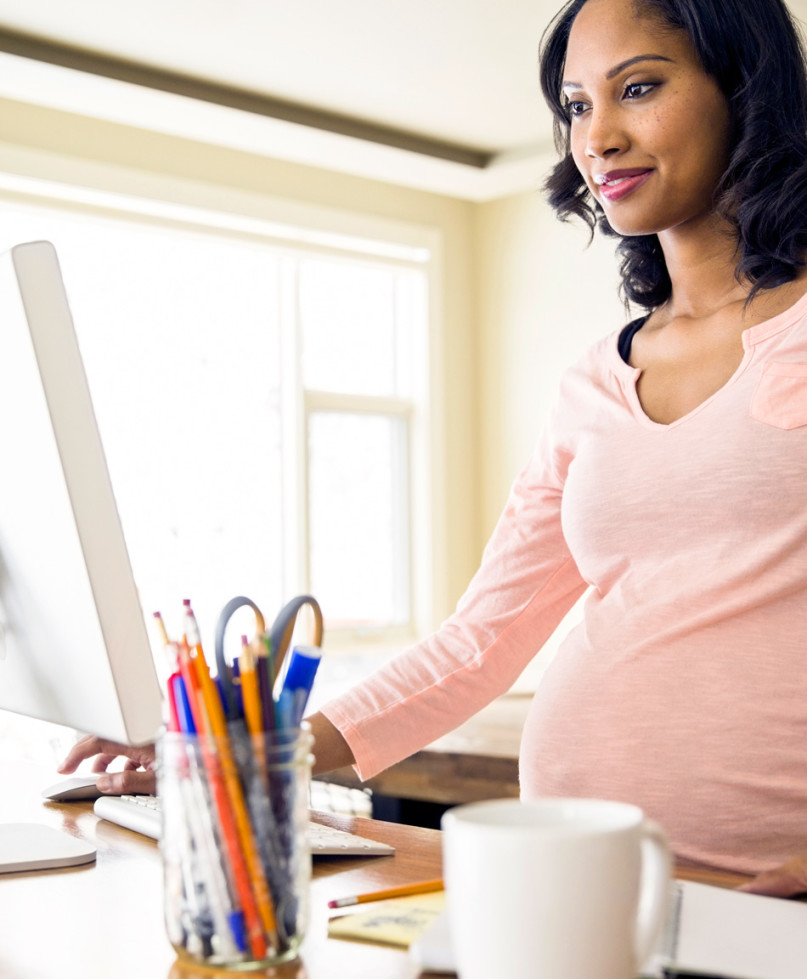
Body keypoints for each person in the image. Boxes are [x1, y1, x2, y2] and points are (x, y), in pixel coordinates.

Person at [61, 0, 807, 895]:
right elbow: (475, 644)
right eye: (574, 106)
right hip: (569, 876)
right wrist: (230, 754)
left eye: (636, 88)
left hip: (765, 890)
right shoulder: (593, 384)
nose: (597, 135)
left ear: (744, 91)